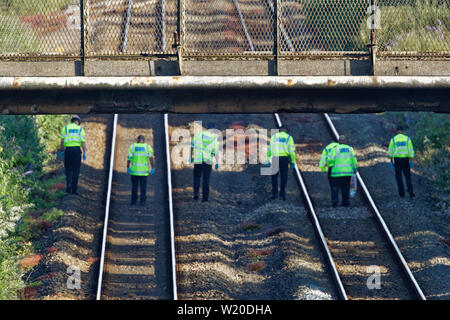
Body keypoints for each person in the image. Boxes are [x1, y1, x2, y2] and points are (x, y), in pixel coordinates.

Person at [266, 125, 296, 201]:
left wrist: (267, 160)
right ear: (286, 130)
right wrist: (292, 161)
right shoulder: (289, 138)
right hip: (284, 159)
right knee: (283, 177)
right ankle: (282, 195)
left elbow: (270, 149)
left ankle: (274, 194)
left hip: (275, 158)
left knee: (274, 177)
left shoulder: (274, 137)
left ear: (279, 130)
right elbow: (292, 151)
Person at [190, 123, 219, 202]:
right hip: (208, 160)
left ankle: (196, 193)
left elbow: (192, 146)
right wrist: (217, 162)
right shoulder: (213, 138)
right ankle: (205, 198)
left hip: (198, 159)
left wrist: (190, 157)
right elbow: (215, 151)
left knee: (196, 177)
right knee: (206, 179)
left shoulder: (198, 135)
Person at [327, 135, 357, 207]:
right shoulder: (350, 149)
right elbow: (354, 161)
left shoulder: (335, 149)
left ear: (339, 142)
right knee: (345, 188)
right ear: (345, 142)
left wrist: (330, 166)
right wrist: (355, 169)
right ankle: (345, 202)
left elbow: (330, 160)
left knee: (335, 188)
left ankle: (335, 202)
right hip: (347, 173)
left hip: (336, 173)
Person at [60, 115, 86, 195]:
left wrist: (61, 151)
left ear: (72, 121)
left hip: (68, 151)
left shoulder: (66, 128)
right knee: (76, 170)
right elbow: (82, 142)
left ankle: (68, 185)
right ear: (78, 122)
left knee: (68, 169)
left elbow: (62, 141)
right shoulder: (80, 129)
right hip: (77, 151)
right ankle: (74, 189)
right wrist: (84, 152)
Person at [387, 126, 415, 198]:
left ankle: (401, 193)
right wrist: (411, 160)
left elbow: (390, 152)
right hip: (406, 160)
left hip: (397, 160)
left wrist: (391, 161)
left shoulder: (393, 140)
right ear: (402, 131)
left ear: (396, 131)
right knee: (408, 176)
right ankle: (410, 191)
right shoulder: (407, 139)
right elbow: (411, 150)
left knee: (399, 177)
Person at [127, 135, 155, 206]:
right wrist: (153, 168)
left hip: (134, 171)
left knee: (134, 187)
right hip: (144, 172)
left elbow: (129, 158)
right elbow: (151, 158)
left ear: (137, 140)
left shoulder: (132, 147)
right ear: (144, 140)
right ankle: (143, 201)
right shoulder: (147, 147)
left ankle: (133, 201)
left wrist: (127, 167)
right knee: (143, 187)